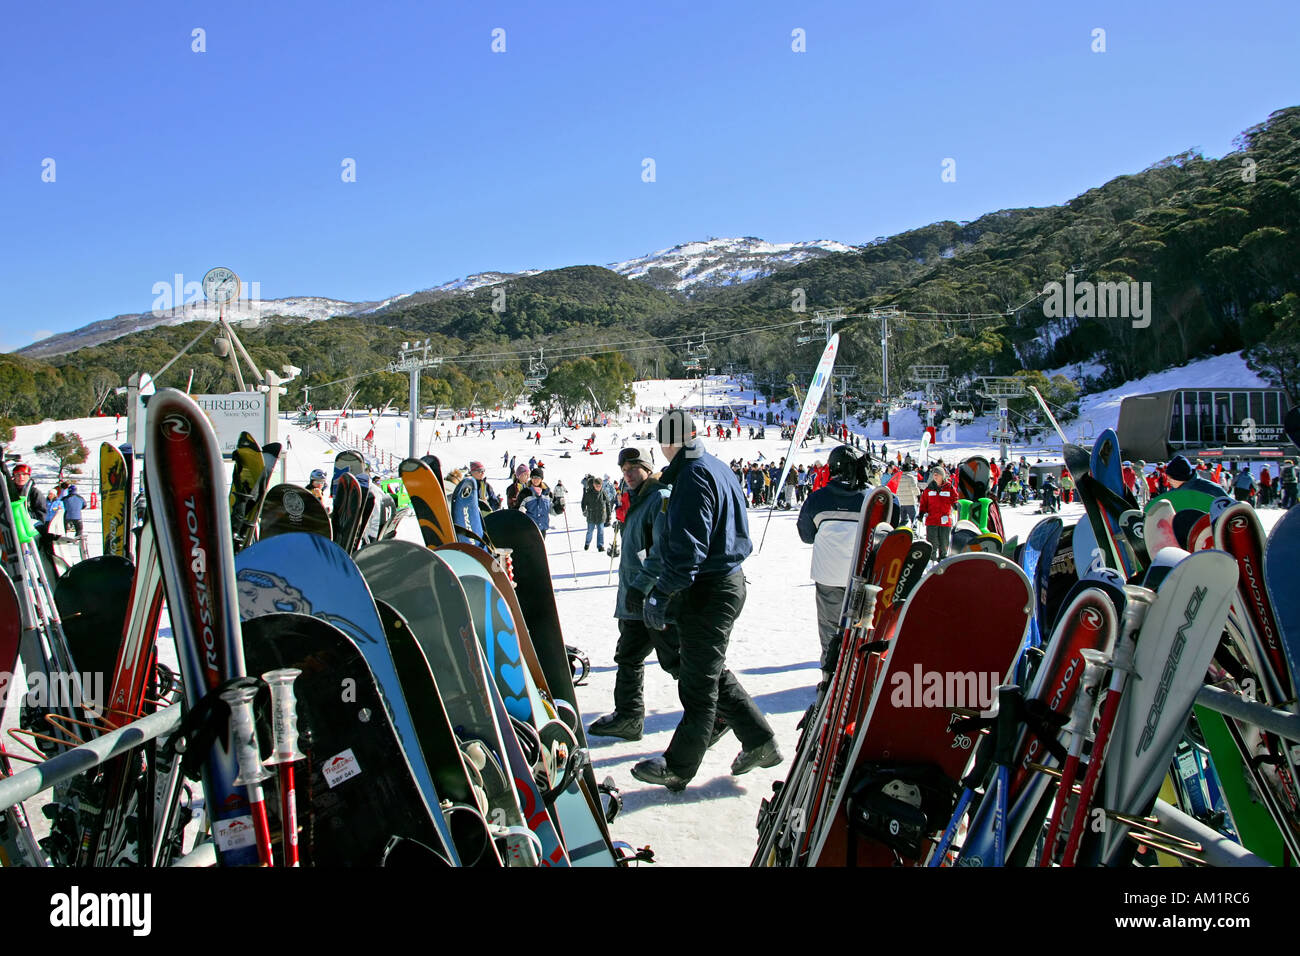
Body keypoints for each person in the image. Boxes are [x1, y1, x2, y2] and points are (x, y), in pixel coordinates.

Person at [631, 411, 780, 791]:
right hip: (722, 582)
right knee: (707, 670)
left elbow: (688, 550)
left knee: (698, 685)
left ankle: (679, 767)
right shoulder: (716, 466)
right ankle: (760, 741)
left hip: (708, 588)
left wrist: (662, 593)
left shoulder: (693, 476)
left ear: (669, 442)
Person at [796, 444, 868, 690]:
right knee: (862, 627)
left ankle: (831, 675)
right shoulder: (870, 497)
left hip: (828, 573)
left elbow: (806, 534)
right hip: (863, 575)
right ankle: (859, 674)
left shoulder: (818, 498)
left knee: (830, 627)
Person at [918, 465, 956, 560]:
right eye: (934, 475)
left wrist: (956, 504)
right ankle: (931, 562)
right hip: (932, 520)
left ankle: (943, 561)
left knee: (944, 544)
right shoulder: (929, 489)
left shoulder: (949, 487)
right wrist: (921, 513)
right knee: (932, 543)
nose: (935, 476)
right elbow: (923, 503)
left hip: (945, 521)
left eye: (937, 475)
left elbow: (955, 498)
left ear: (942, 476)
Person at [520, 468, 553, 537]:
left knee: (541, 547)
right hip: (529, 528)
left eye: (538, 478)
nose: (535, 480)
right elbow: (516, 507)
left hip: (542, 528)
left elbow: (552, 510)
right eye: (533, 477)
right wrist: (521, 509)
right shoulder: (525, 492)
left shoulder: (547, 493)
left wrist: (560, 506)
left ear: (541, 479)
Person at [581, 476, 610, 551]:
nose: (599, 487)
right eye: (597, 486)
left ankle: (600, 546)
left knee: (601, 531)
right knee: (590, 531)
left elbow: (607, 504)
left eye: (600, 486)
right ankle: (587, 543)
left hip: (601, 516)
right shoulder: (588, 493)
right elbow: (583, 503)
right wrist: (584, 510)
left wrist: (609, 516)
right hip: (591, 516)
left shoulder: (603, 493)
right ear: (594, 485)